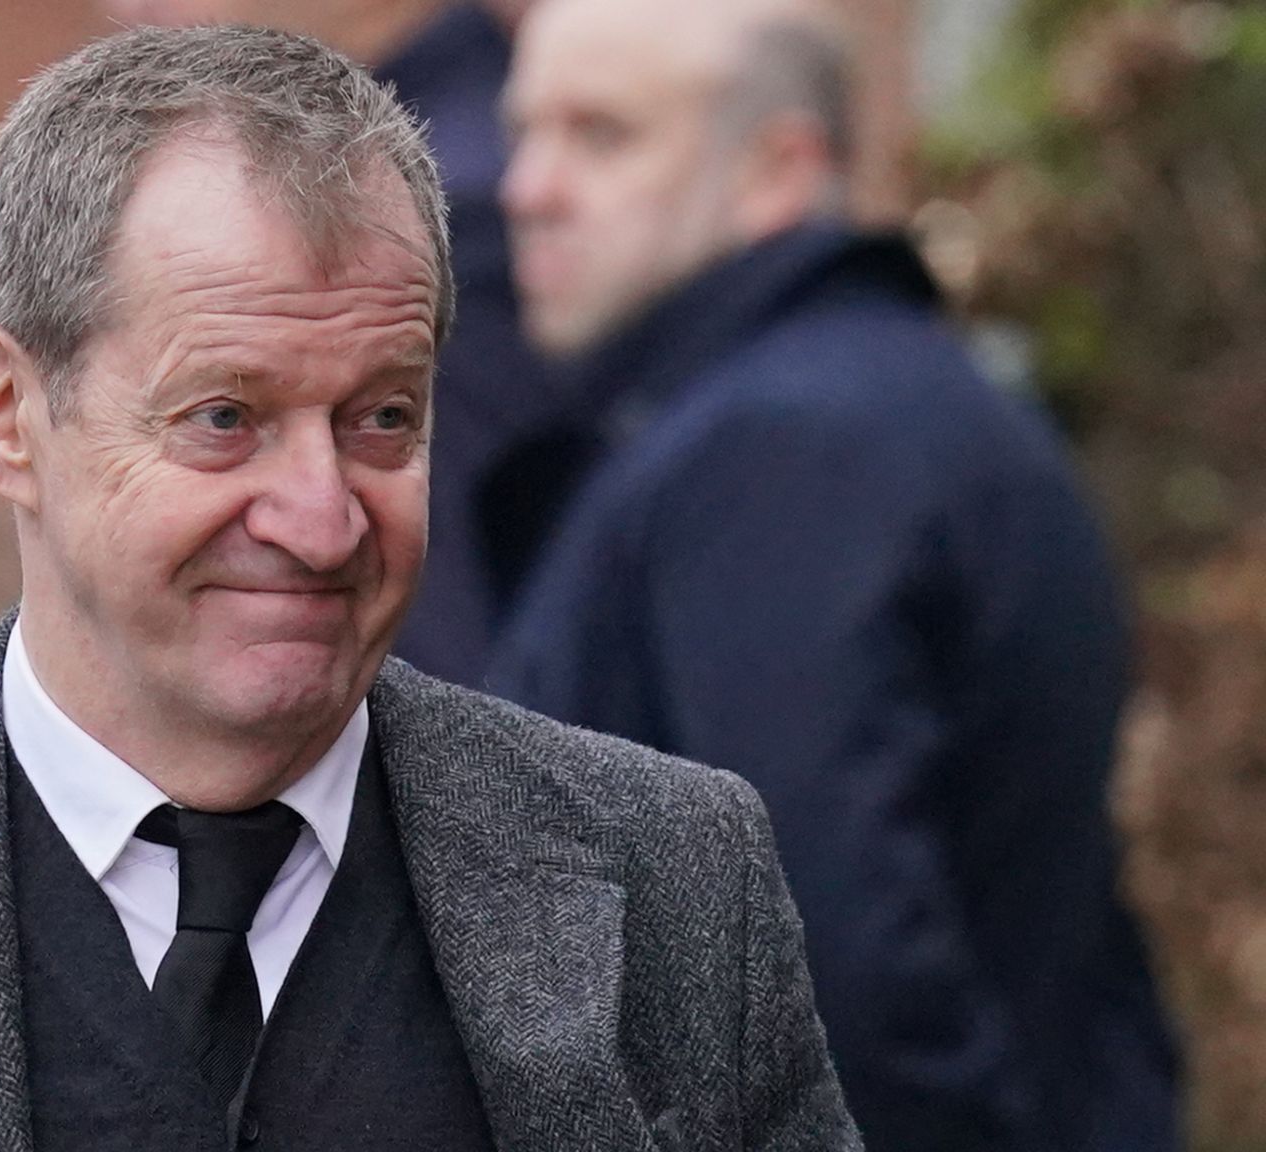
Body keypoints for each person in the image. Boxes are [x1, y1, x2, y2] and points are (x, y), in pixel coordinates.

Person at [0, 25, 860, 1150]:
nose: (322, 521)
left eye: (382, 418)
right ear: (8, 414)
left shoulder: (678, 886)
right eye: (224, 418)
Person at [488, 1, 1177, 1149]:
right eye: (525, 131)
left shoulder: (783, 450)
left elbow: (820, 964)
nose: (527, 188)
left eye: (599, 135)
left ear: (778, 170)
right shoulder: (886, 402)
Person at [99, 0, 559, 685]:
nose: (127, 8)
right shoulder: (434, 109)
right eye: (224, 416)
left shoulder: (462, 204)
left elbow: (434, 648)